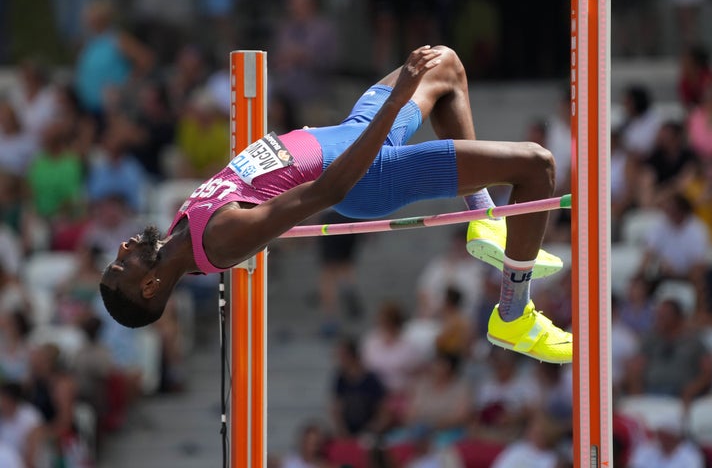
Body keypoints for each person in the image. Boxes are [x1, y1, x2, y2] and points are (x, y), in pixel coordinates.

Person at [98, 45, 571, 363]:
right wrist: (395, 101)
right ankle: (514, 314)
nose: (122, 249)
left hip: (352, 132)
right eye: (124, 266)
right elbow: (328, 193)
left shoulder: (183, 225)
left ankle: (482, 217)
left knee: (444, 64)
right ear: (151, 286)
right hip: (369, 173)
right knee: (537, 166)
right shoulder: (220, 239)